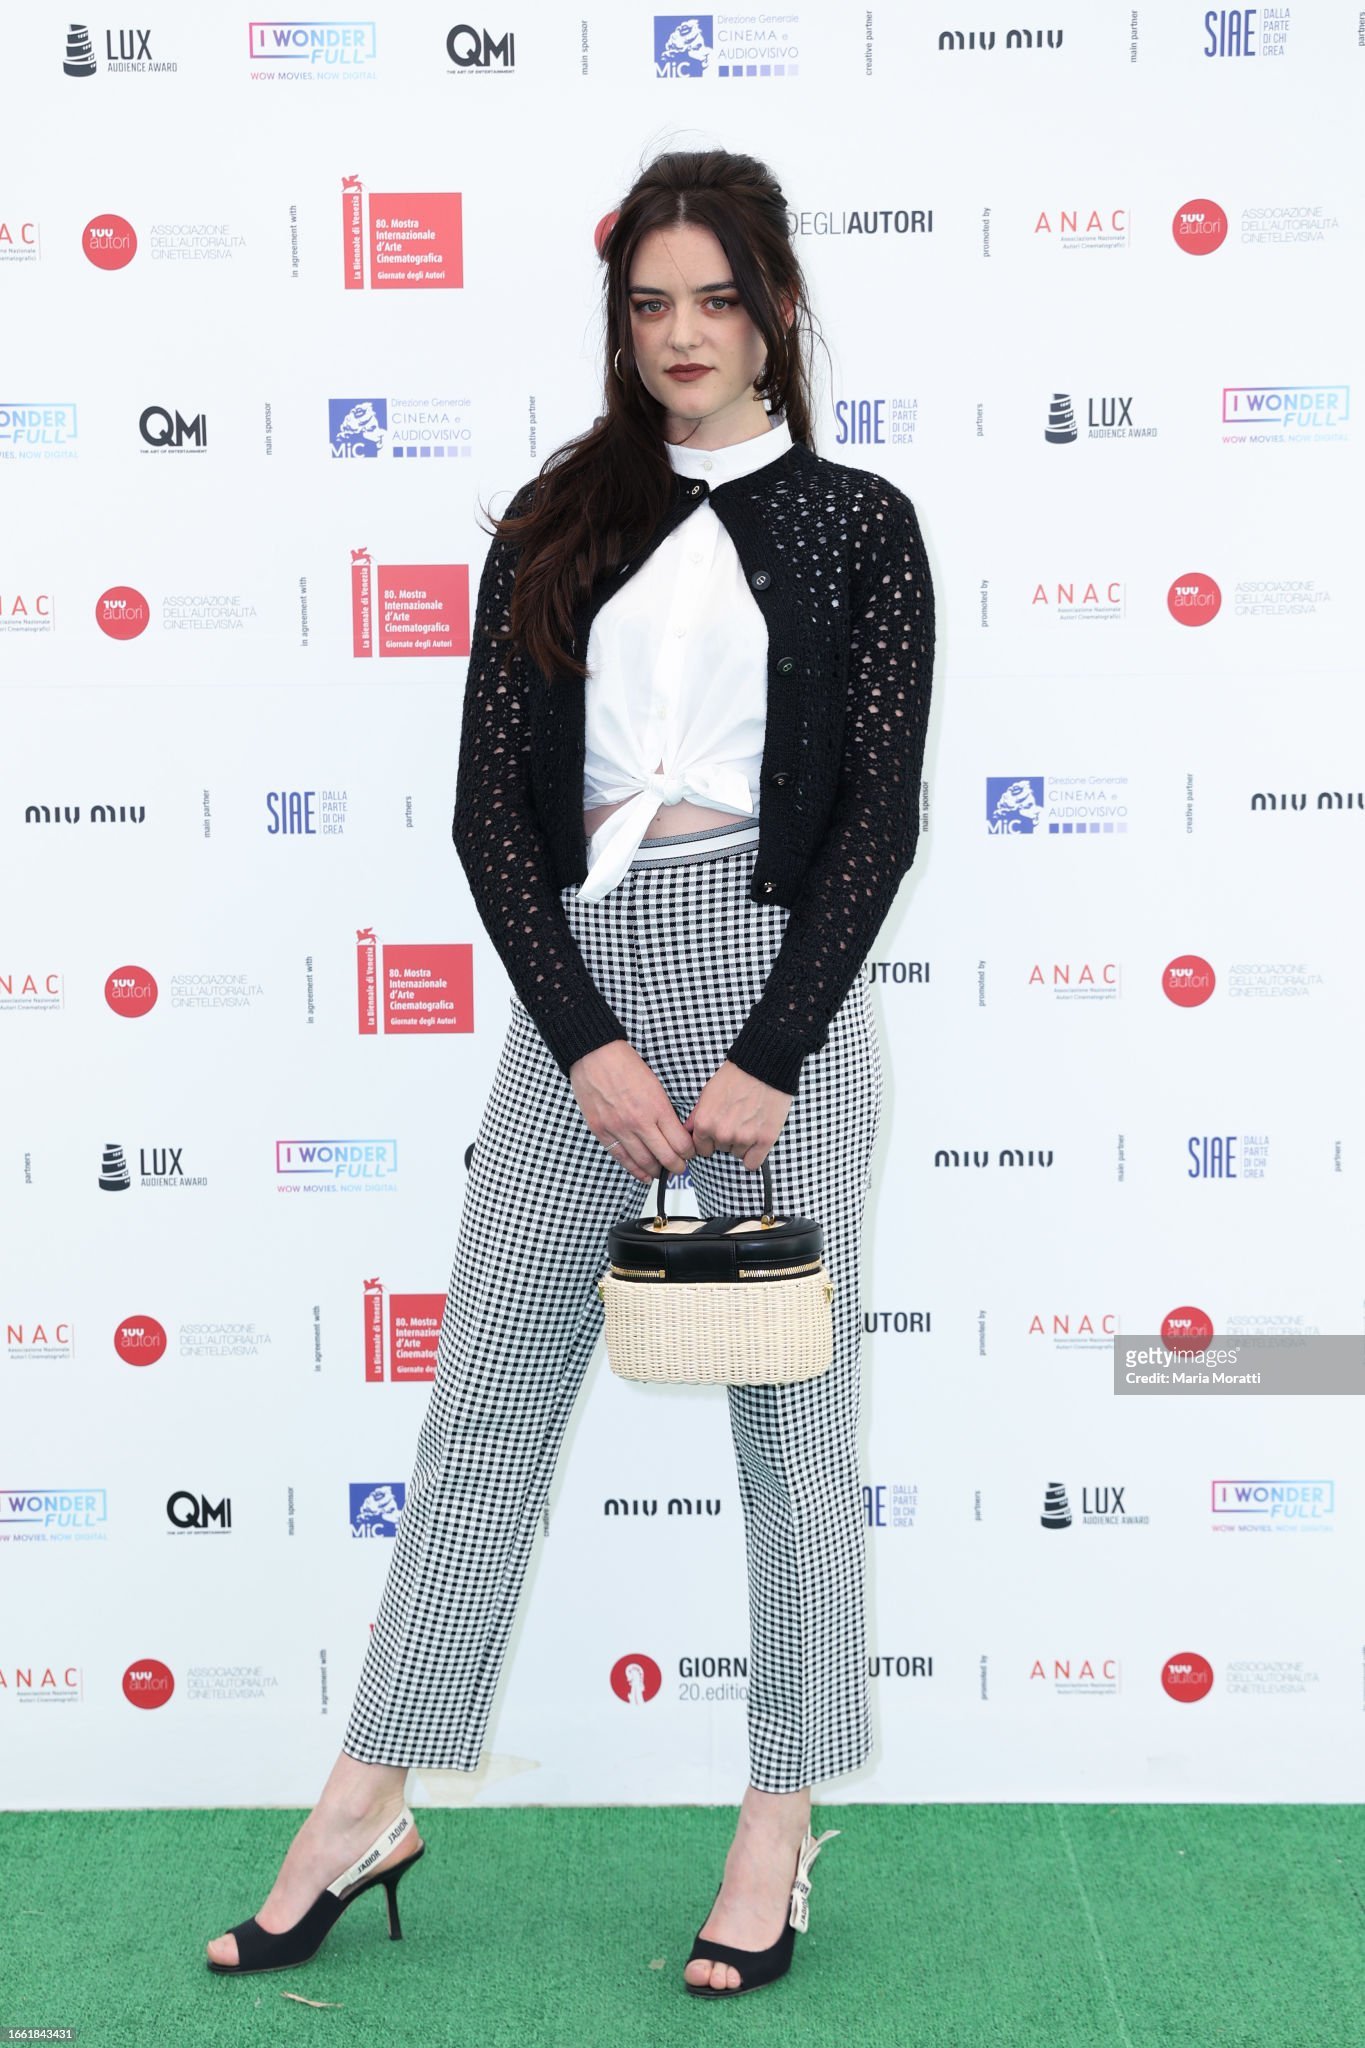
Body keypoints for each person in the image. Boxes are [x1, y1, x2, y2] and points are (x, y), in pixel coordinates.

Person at [205, 145, 934, 1999]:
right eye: (649, 302)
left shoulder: (858, 522)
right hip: (581, 993)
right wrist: (588, 1043)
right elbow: (485, 815)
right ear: (619, 320)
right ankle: (362, 1804)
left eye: (716, 299)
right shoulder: (557, 520)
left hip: (776, 989)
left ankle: (774, 1828)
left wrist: (769, 1054)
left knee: (794, 1435)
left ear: (776, 311)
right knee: (483, 1419)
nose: (682, 333)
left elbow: (875, 820)